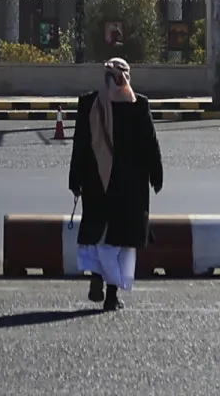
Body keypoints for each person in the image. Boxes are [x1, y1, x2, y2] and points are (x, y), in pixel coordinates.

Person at [68, 57, 164, 312]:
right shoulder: (138, 105)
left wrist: (75, 180)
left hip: (97, 183)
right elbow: (150, 144)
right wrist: (157, 175)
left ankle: (97, 277)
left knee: (99, 234)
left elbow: (81, 145)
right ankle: (111, 295)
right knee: (121, 242)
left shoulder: (90, 103)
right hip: (130, 187)